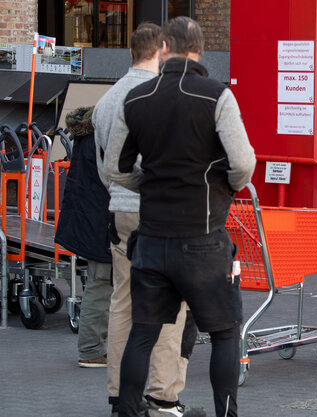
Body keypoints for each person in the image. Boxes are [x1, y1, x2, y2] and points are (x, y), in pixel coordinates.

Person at [102, 17, 256, 417]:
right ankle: (226, 413)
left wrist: (149, 184)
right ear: (201, 50)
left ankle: (127, 411)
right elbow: (242, 163)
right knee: (224, 332)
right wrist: (223, 187)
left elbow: (114, 169)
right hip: (202, 236)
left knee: (142, 331)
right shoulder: (216, 96)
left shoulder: (134, 99)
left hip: (152, 237)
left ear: (165, 48)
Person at [92, 22, 201, 417]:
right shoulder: (157, 96)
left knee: (122, 301)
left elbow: (107, 165)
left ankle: (119, 392)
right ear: (163, 50)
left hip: (118, 209)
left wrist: (122, 190)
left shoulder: (106, 101)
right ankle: (162, 393)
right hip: (159, 211)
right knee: (171, 305)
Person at [55, 107, 112, 370]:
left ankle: (93, 348)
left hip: (90, 218)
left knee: (99, 283)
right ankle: (90, 349)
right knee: (101, 285)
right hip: (101, 219)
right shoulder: (103, 137)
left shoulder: (87, 136)